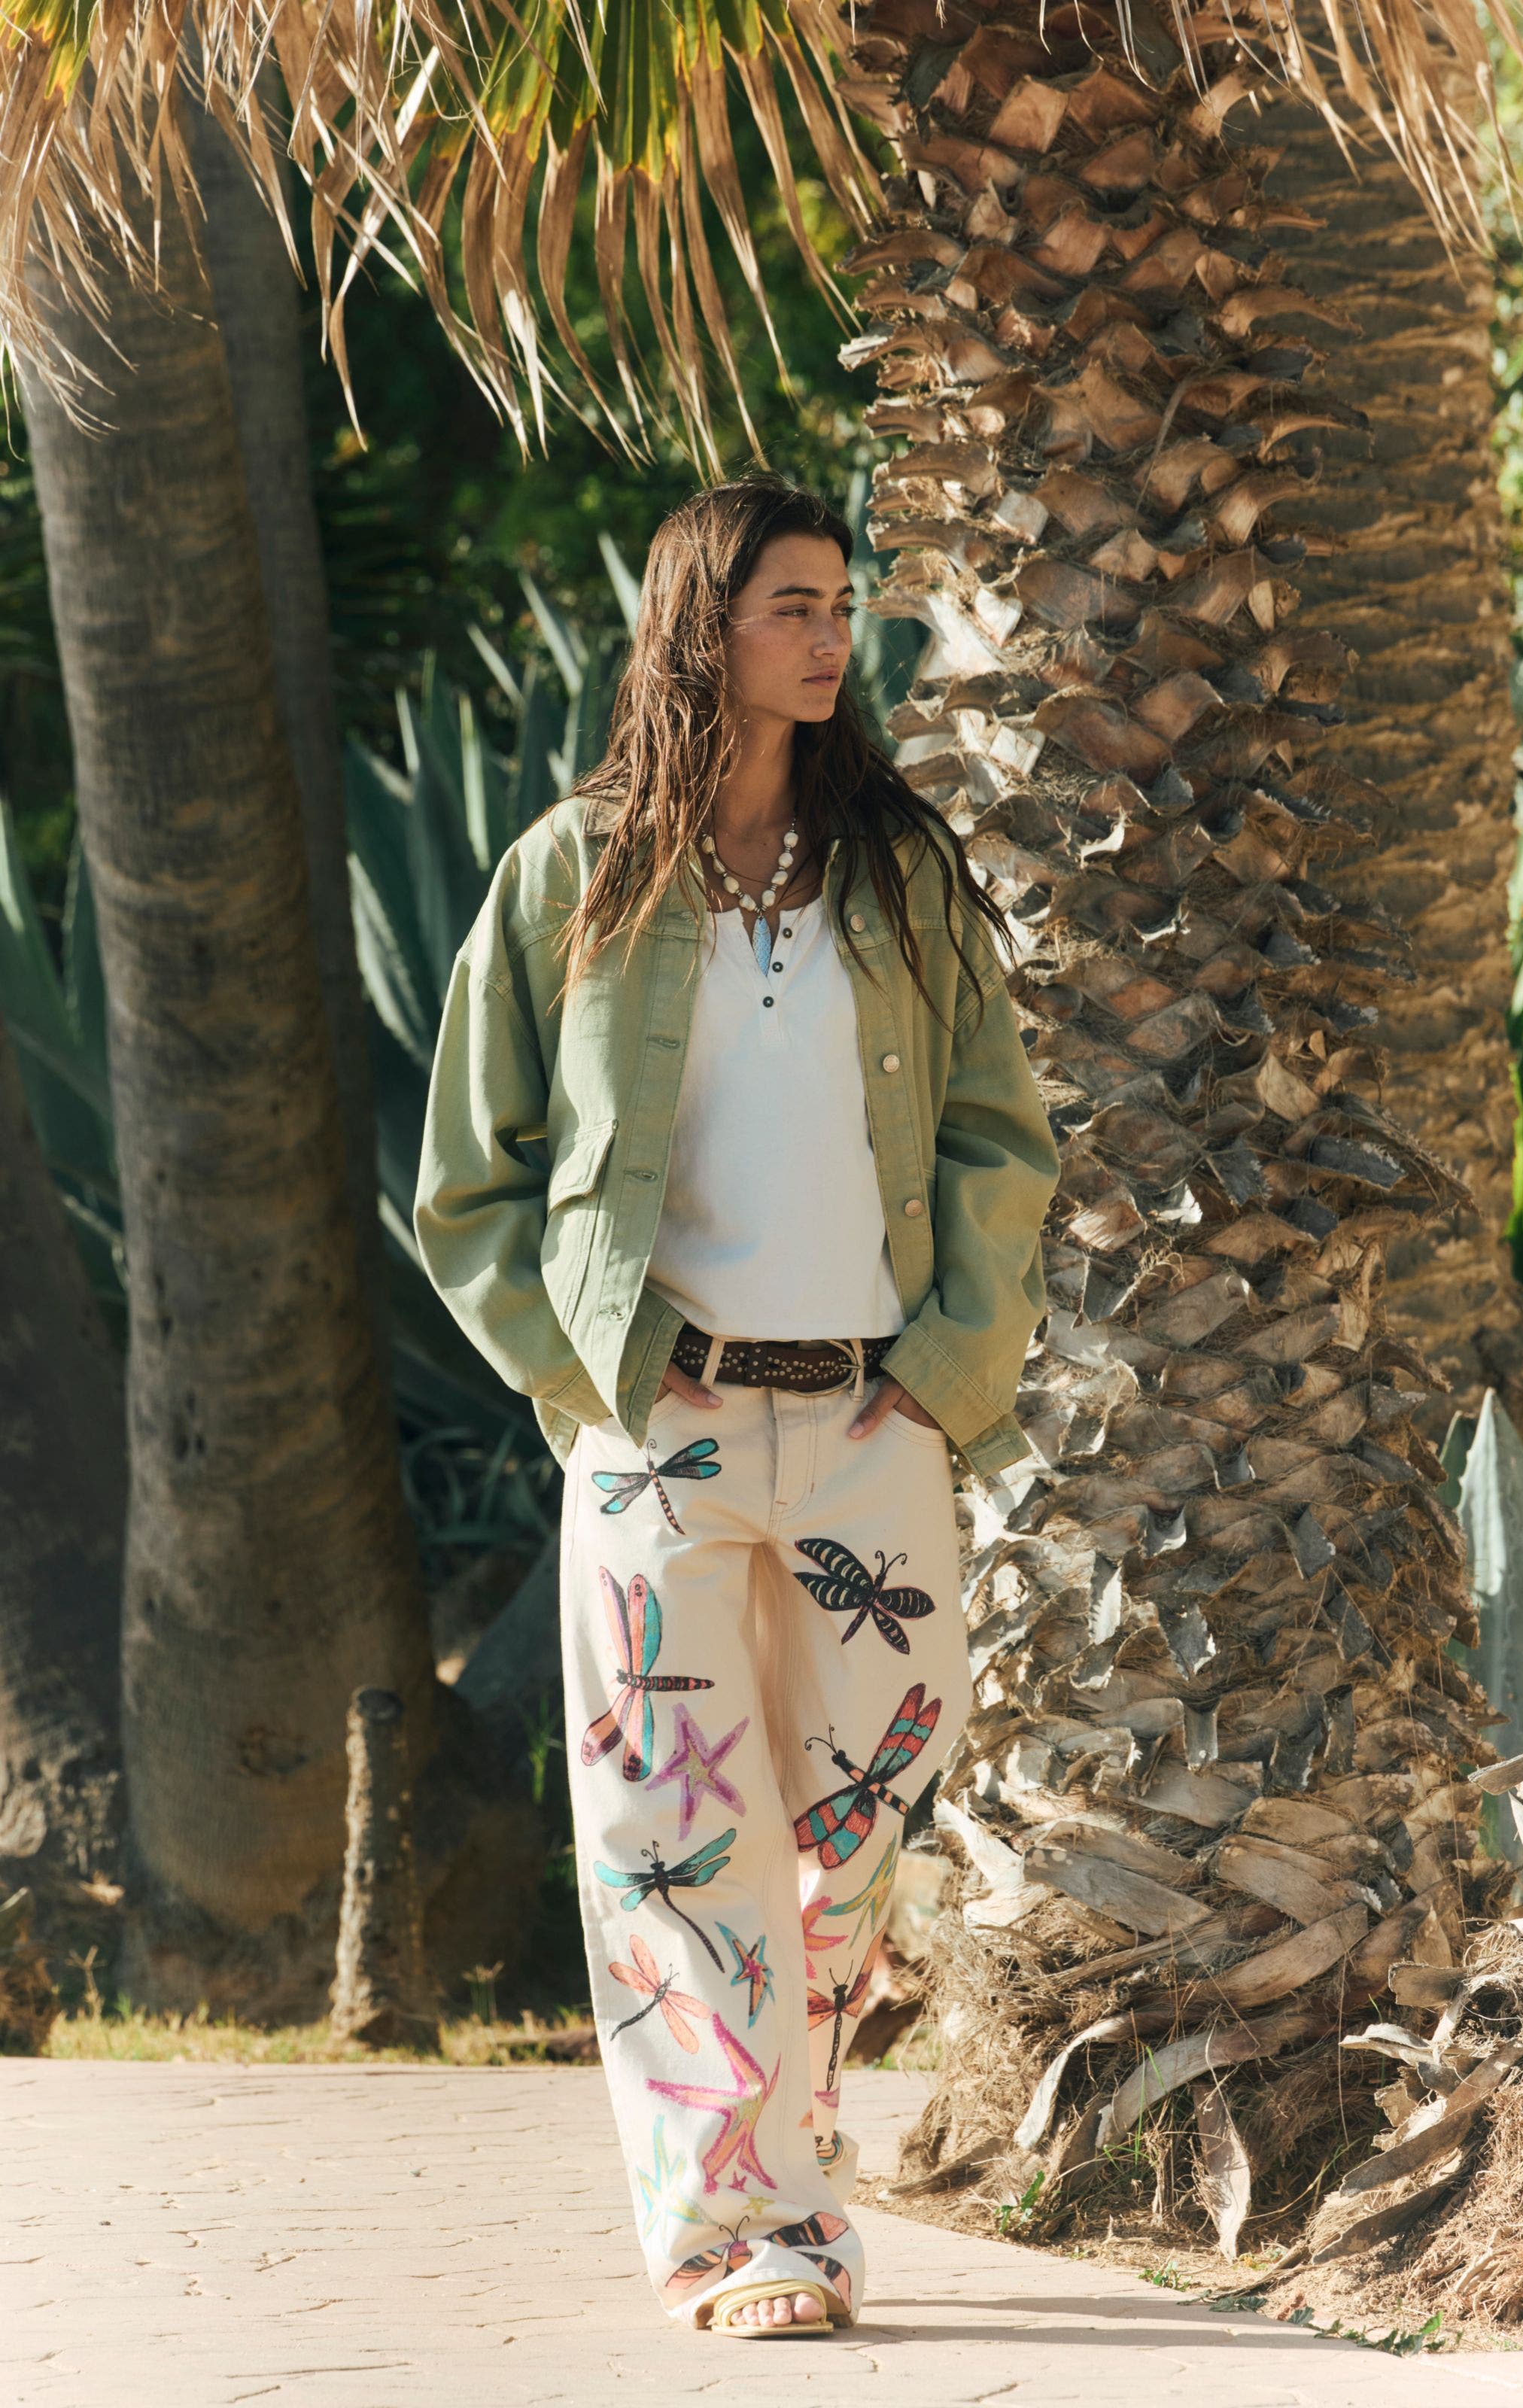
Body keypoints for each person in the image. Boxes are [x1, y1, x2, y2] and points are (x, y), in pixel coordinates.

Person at [413, 474, 1059, 2338]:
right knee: (674, 1839)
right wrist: (587, 1378)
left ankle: (792, 2119)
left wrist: (946, 1375)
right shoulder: (573, 875)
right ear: (706, 625)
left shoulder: (900, 875)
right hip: (661, 1433)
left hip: (873, 1421)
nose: (830, 632)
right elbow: (472, 1176)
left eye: (843, 602)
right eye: (793, 602)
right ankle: (747, 2235)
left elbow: (998, 1140)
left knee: (858, 1812)